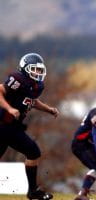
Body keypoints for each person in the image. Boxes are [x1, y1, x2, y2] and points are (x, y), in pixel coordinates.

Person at [0, 53, 59, 200]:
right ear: (25, 68)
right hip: (1, 124)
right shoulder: (18, 78)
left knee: (33, 152)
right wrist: (9, 109)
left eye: (40, 70)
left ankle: (33, 191)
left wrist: (49, 109)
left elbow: (32, 101)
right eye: (34, 69)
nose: (38, 73)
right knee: (33, 151)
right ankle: (33, 191)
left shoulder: (37, 85)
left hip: (12, 127)